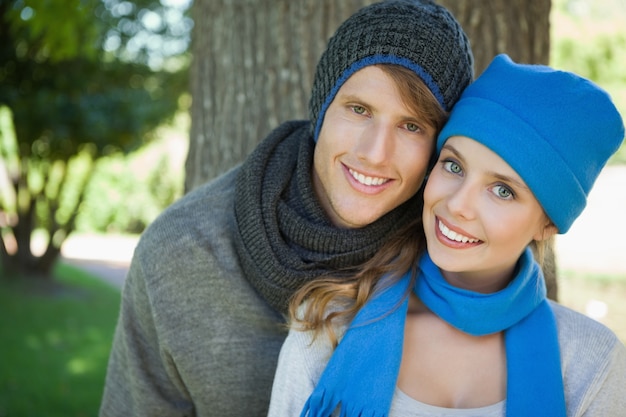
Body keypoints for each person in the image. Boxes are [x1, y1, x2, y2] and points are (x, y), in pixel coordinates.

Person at [98, 0, 474, 415]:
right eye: (359, 109)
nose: (375, 153)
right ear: (322, 108)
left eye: (411, 126)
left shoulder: (460, 258)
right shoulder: (181, 253)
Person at [268, 54, 626, 417]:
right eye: (454, 166)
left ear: (547, 224)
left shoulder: (590, 361)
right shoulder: (329, 325)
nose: (457, 205)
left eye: (502, 191)